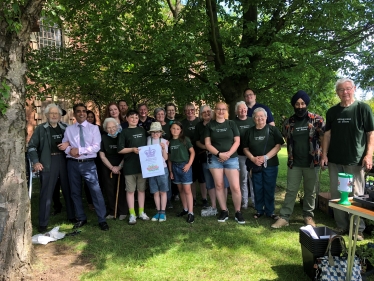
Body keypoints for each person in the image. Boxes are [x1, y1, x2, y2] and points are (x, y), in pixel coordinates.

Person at [321, 78, 374, 241]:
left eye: (348, 89)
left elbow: (371, 134)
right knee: (337, 193)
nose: (345, 92)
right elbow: (327, 135)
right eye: (341, 90)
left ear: (354, 89)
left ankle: (357, 228)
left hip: (355, 160)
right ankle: (341, 225)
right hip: (335, 160)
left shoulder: (362, 109)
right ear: (337, 93)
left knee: (355, 194)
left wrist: (369, 154)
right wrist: (324, 154)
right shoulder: (332, 112)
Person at [271, 91, 324, 229]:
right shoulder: (288, 122)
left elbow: (324, 139)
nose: (300, 106)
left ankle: (308, 216)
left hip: (312, 163)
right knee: (291, 190)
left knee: (310, 191)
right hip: (294, 163)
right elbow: (287, 139)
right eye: (297, 104)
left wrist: (324, 156)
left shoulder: (317, 120)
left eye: (302, 103)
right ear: (294, 105)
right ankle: (284, 217)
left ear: (306, 104)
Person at [28, 103, 75, 233]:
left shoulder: (66, 127)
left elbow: (75, 142)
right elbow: (31, 146)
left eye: (56, 113)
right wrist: (36, 162)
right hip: (48, 161)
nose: (54, 115)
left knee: (69, 189)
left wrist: (68, 144)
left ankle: (72, 216)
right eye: (51, 113)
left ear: (60, 115)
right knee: (46, 192)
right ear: (47, 115)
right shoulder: (41, 129)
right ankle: (43, 223)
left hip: (65, 161)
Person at [62, 103, 109, 231]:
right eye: (78, 111)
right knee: (75, 192)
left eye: (83, 111)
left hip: (88, 164)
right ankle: (81, 218)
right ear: (74, 113)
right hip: (72, 164)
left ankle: (102, 219)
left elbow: (96, 147)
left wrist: (79, 150)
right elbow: (64, 145)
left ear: (86, 113)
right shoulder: (69, 130)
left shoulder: (93, 129)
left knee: (96, 190)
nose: (81, 113)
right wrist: (70, 151)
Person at [204, 102, 245, 224]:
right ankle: (224, 210)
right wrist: (219, 154)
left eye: (223, 109)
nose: (221, 111)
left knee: (235, 187)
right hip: (215, 159)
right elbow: (207, 144)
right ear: (215, 110)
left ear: (226, 110)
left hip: (231, 159)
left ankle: (238, 212)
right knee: (219, 185)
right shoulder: (210, 125)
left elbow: (237, 141)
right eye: (218, 109)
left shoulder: (231, 123)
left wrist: (227, 154)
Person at [243, 107, 284, 220]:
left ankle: (270, 211)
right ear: (253, 118)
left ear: (266, 117)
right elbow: (245, 148)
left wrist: (265, 157)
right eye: (257, 116)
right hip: (255, 164)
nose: (260, 118)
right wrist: (253, 159)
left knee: (269, 187)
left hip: (270, 164)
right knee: (257, 187)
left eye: (262, 116)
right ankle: (259, 210)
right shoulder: (249, 132)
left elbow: (278, 146)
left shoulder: (273, 130)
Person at [196, 105, 230, 217]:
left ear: (212, 112)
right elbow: (197, 142)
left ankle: (224, 207)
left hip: (219, 158)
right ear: (201, 115)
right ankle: (214, 206)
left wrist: (215, 151)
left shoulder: (217, 123)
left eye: (208, 111)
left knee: (222, 183)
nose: (206, 113)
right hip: (205, 157)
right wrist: (207, 147)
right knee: (210, 182)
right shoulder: (199, 126)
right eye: (204, 112)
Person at [118, 110, 149, 225]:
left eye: (136, 117)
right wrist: (132, 150)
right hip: (129, 166)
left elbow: (148, 145)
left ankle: (141, 212)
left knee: (141, 190)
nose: (134, 119)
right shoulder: (124, 132)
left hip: (142, 166)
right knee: (130, 191)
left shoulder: (142, 130)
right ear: (127, 119)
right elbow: (120, 149)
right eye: (132, 117)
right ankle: (132, 214)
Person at [100, 118, 128, 221]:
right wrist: (112, 168)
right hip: (108, 166)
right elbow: (102, 156)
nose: (111, 129)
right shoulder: (103, 138)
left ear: (117, 127)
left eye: (113, 127)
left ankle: (123, 211)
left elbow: (126, 154)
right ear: (105, 129)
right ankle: (112, 211)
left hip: (122, 165)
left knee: (121, 188)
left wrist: (119, 166)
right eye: (109, 128)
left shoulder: (122, 136)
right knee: (109, 189)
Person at [168, 121, 196, 223]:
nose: (175, 130)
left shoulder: (185, 140)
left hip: (185, 166)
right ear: (170, 129)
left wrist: (189, 164)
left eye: (177, 129)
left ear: (181, 131)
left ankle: (191, 212)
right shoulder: (169, 142)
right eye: (173, 128)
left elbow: (192, 152)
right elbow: (169, 158)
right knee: (181, 190)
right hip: (175, 167)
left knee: (187, 190)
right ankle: (185, 209)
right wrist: (171, 171)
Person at [181, 103, 206, 206]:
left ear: (195, 110)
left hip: (200, 152)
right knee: (191, 177)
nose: (189, 111)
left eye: (191, 109)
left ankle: (204, 198)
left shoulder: (200, 122)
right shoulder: (182, 123)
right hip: (187, 154)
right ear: (184, 112)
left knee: (202, 177)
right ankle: (194, 198)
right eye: (187, 110)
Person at [232, 101, 255, 209]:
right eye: (240, 109)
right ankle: (244, 201)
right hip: (240, 155)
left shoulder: (252, 120)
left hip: (253, 154)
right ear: (237, 111)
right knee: (243, 179)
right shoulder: (233, 122)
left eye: (244, 108)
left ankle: (255, 201)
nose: (243, 110)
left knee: (253, 179)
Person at [147, 122, 169, 222]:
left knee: (163, 191)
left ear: (161, 133)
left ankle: (163, 212)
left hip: (162, 169)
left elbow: (166, 158)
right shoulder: (148, 140)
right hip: (151, 170)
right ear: (150, 133)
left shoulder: (164, 141)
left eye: (157, 132)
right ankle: (158, 211)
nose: (155, 134)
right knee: (155, 192)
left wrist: (164, 148)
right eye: (153, 132)